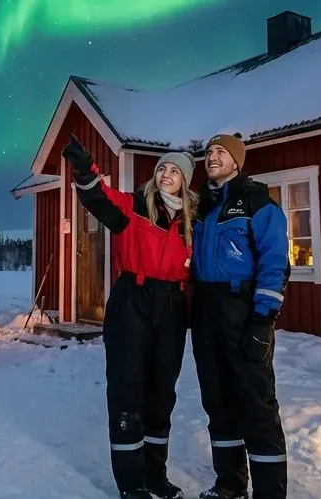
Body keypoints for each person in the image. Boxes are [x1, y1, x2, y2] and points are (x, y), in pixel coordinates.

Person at [63, 133, 198, 499]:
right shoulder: (134, 206)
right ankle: (131, 483)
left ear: (186, 179)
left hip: (171, 307)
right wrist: (84, 167)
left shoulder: (192, 221)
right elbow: (97, 197)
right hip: (132, 302)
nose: (167, 174)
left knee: (161, 394)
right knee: (128, 389)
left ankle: (155, 475)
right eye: (162, 169)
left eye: (175, 170)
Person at [191, 134, 290, 499]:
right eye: (208, 153)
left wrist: (263, 321)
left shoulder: (258, 203)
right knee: (217, 403)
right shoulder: (201, 206)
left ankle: (270, 493)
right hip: (205, 312)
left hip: (243, 309)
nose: (212, 158)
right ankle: (229, 487)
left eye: (220, 152)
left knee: (256, 405)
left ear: (236, 161)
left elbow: (276, 263)